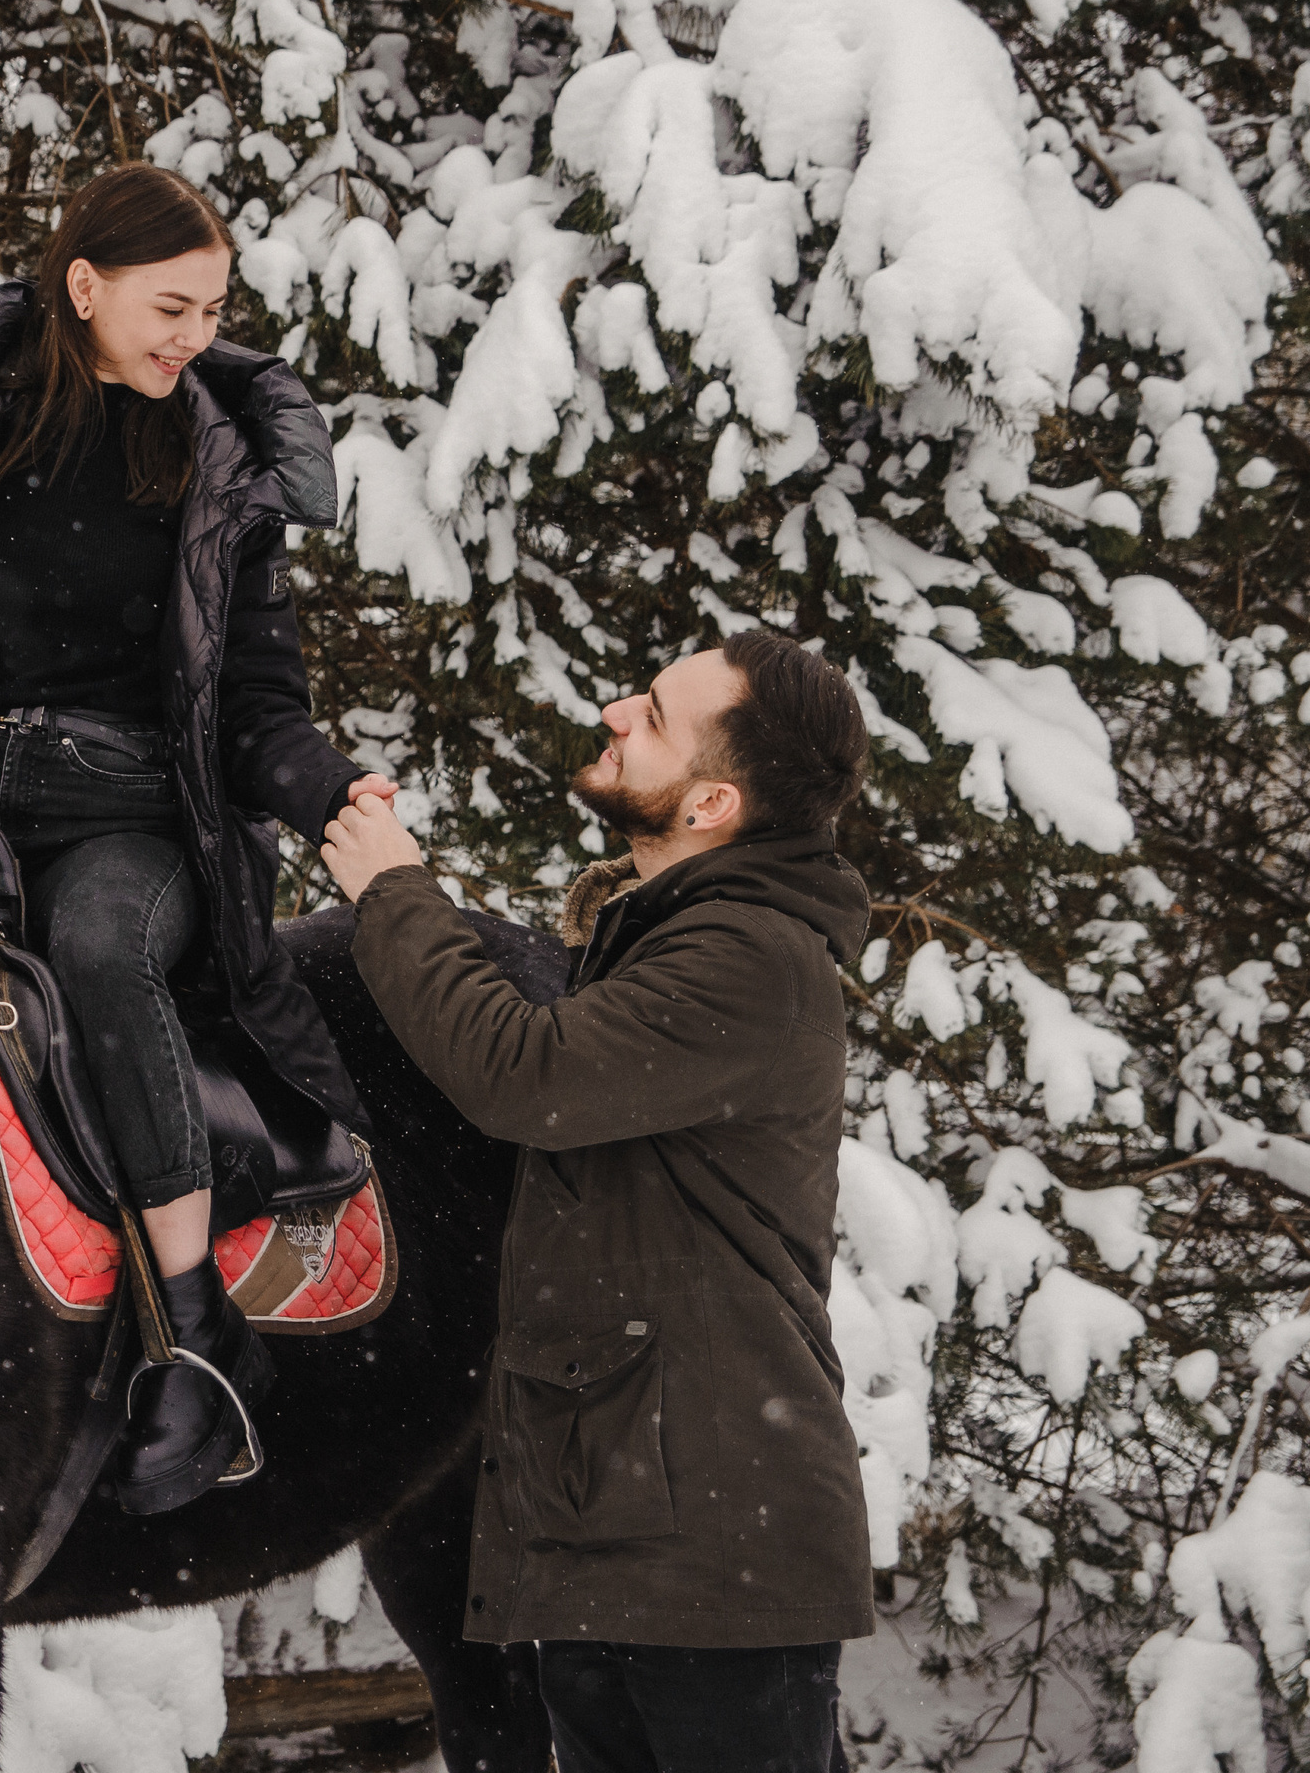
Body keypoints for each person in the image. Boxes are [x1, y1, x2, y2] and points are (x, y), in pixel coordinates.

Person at [0, 162, 394, 1515]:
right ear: (84, 288)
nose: (195, 335)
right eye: (171, 304)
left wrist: (328, 792)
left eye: (213, 309)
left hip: (139, 820)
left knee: (96, 956)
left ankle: (190, 1345)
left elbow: (259, 701)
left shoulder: (215, 471)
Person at [321, 631, 875, 1773]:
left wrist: (391, 888)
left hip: (716, 1554)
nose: (619, 710)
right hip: (618, 1542)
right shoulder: (663, 939)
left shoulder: (750, 953)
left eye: (658, 715)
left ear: (712, 799)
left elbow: (525, 1073)